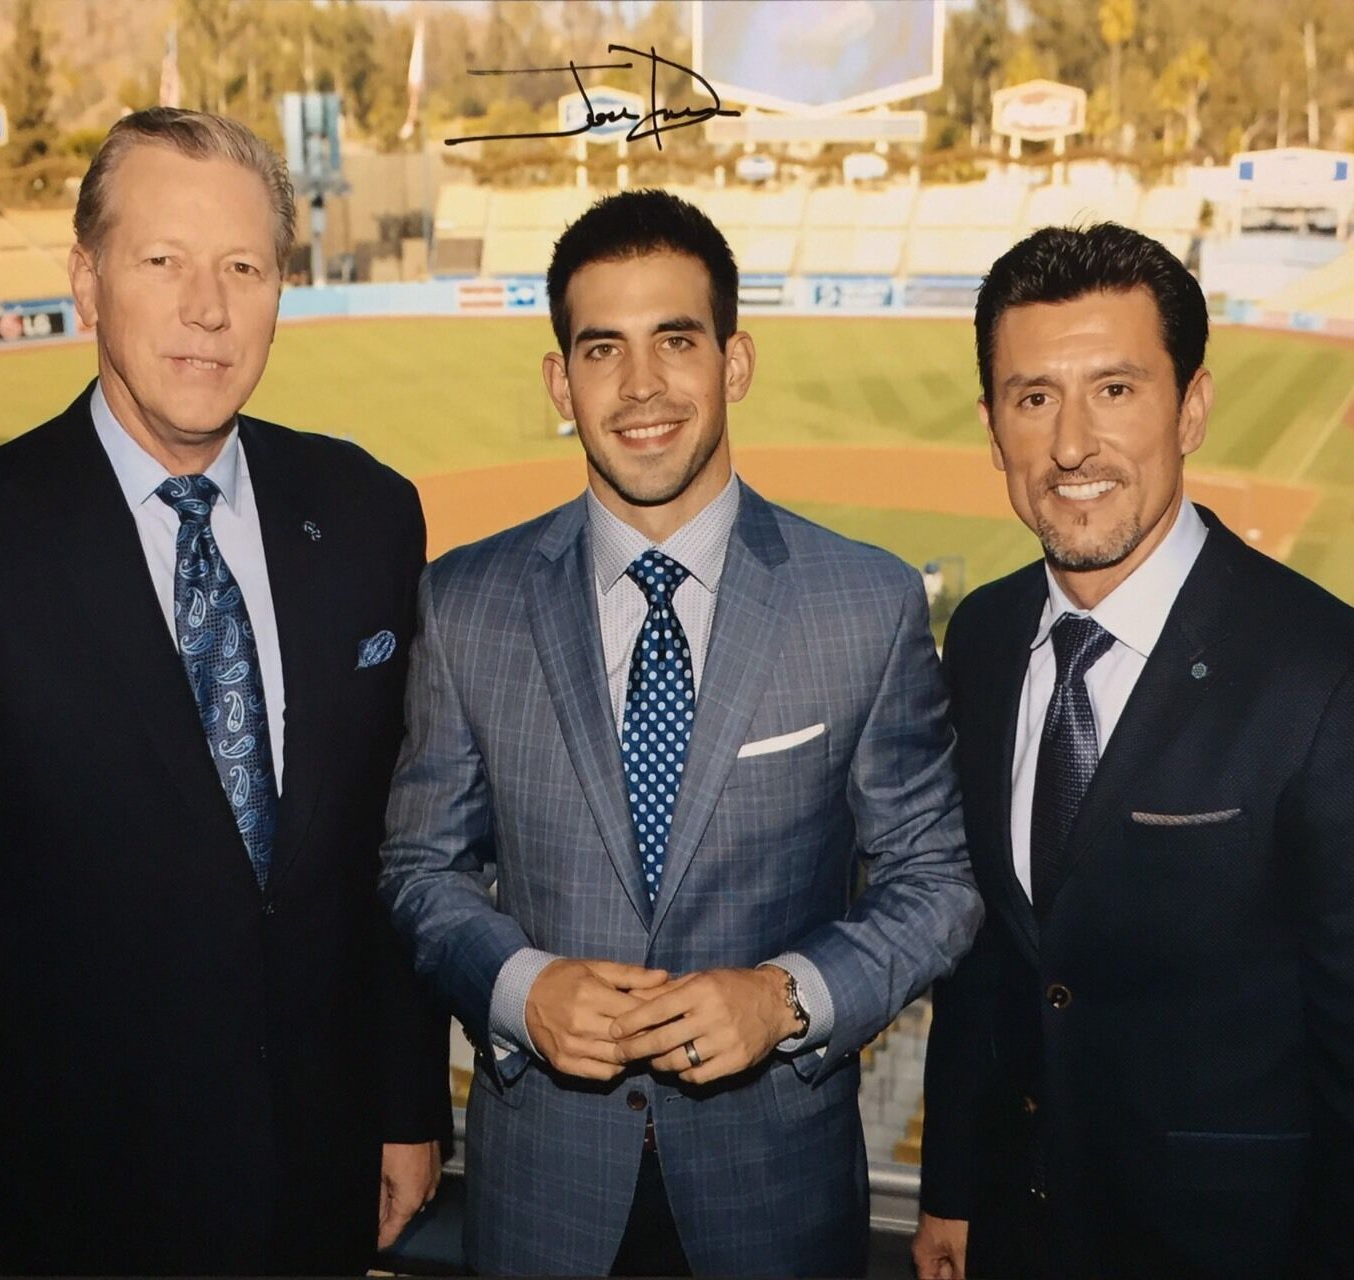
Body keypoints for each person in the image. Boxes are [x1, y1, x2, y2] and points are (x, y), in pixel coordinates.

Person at [0, 108, 451, 1274]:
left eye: (243, 265)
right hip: (56, 1217)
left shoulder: (369, 514)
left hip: (318, 1192)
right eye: (163, 261)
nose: (208, 308)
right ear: (86, 280)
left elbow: (386, 848)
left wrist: (403, 1100)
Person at [380, 189, 982, 1277]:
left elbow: (934, 883)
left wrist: (787, 994)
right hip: (541, 1204)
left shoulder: (864, 603)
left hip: (776, 1198)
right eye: (603, 347)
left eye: (676, 340)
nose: (643, 385)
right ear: (561, 382)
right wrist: (519, 986)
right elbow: (423, 868)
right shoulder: (465, 602)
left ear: (734, 362)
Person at [912, 222, 1354, 1280]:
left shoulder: (1353, 691)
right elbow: (988, 960)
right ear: (992, 427)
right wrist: (951, 1185)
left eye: (1114, 389)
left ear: (1192, 405)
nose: (1071, 444)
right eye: (1034, 398)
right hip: (1018, 1236)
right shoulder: (979, 637)